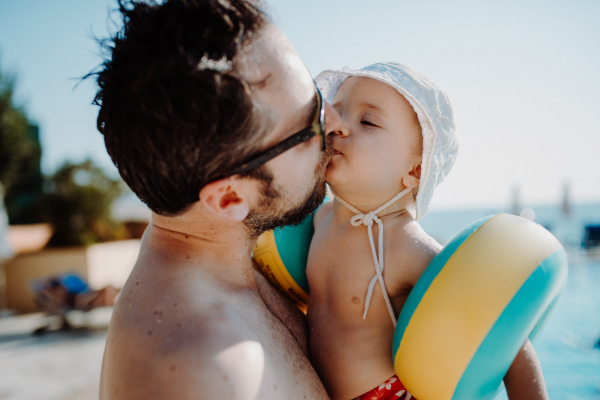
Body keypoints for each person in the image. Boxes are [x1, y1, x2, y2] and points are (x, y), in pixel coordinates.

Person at [91, 1, 333, 398]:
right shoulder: (206, 370)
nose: (335, 121)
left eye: (318, 95)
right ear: (228, 198)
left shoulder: (225, 265)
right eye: (313, 123)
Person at [306, 62, 549, 400]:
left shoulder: (405, 248)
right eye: (337, 112)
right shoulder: (321, 218)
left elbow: (501, 328)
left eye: (368, 121)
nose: (338, 127)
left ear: (416, 169)